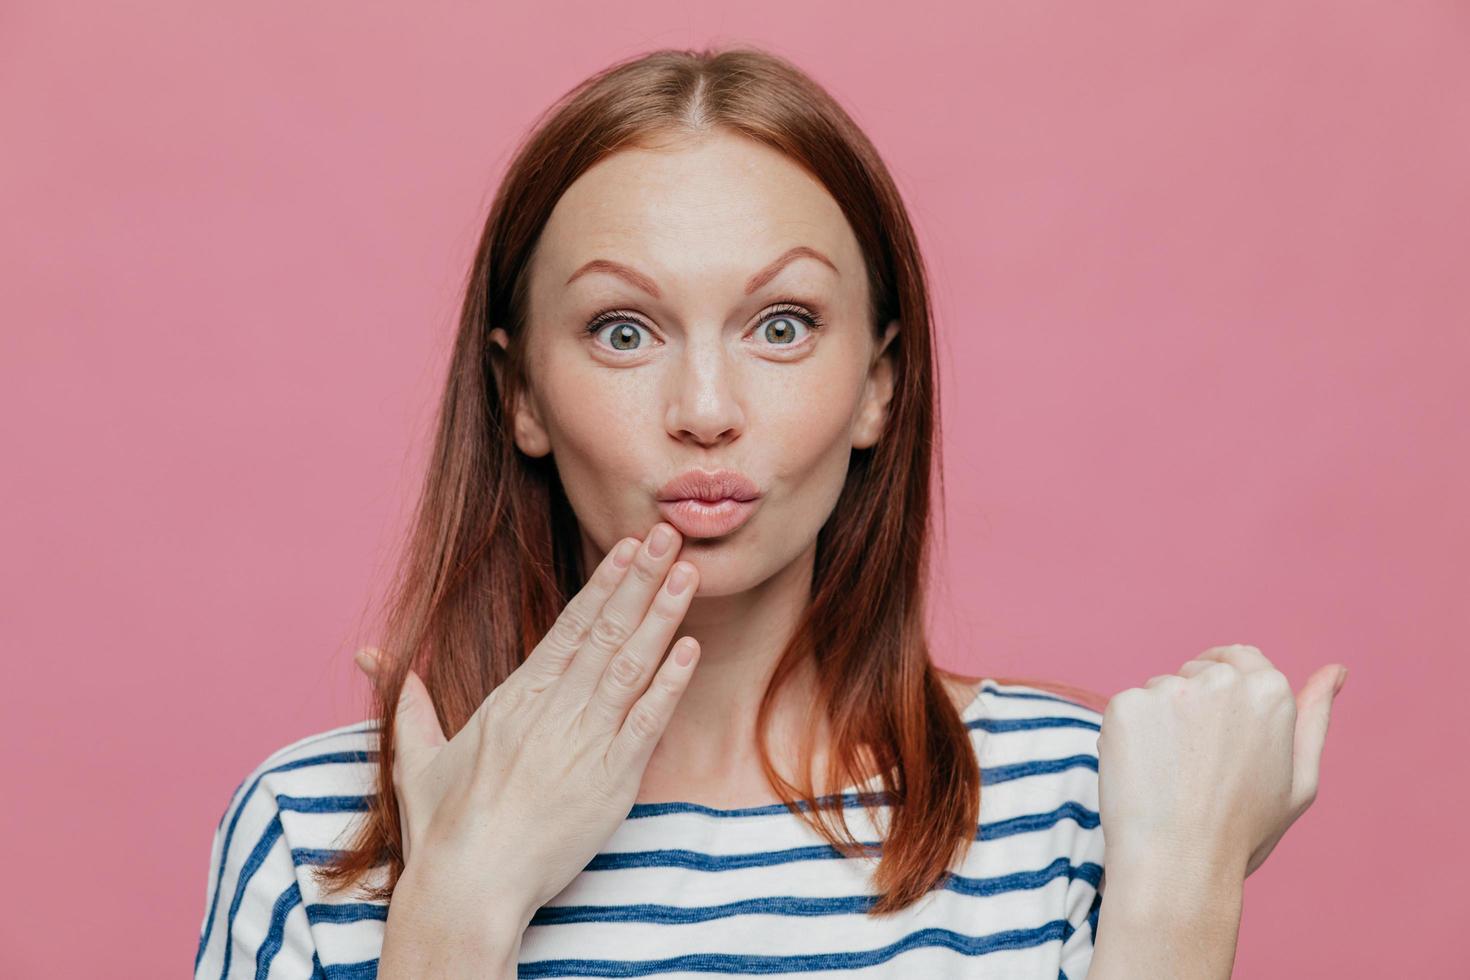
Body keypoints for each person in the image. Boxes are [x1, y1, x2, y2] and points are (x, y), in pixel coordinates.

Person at [194, 46, 1346, 980]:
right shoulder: (316, 831)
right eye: (623, 330)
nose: (706, 410)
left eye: (783, 324)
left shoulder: (1087, 807)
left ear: (878, 387)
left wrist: (1180, 905)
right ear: (521, 395)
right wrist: (456, 910)